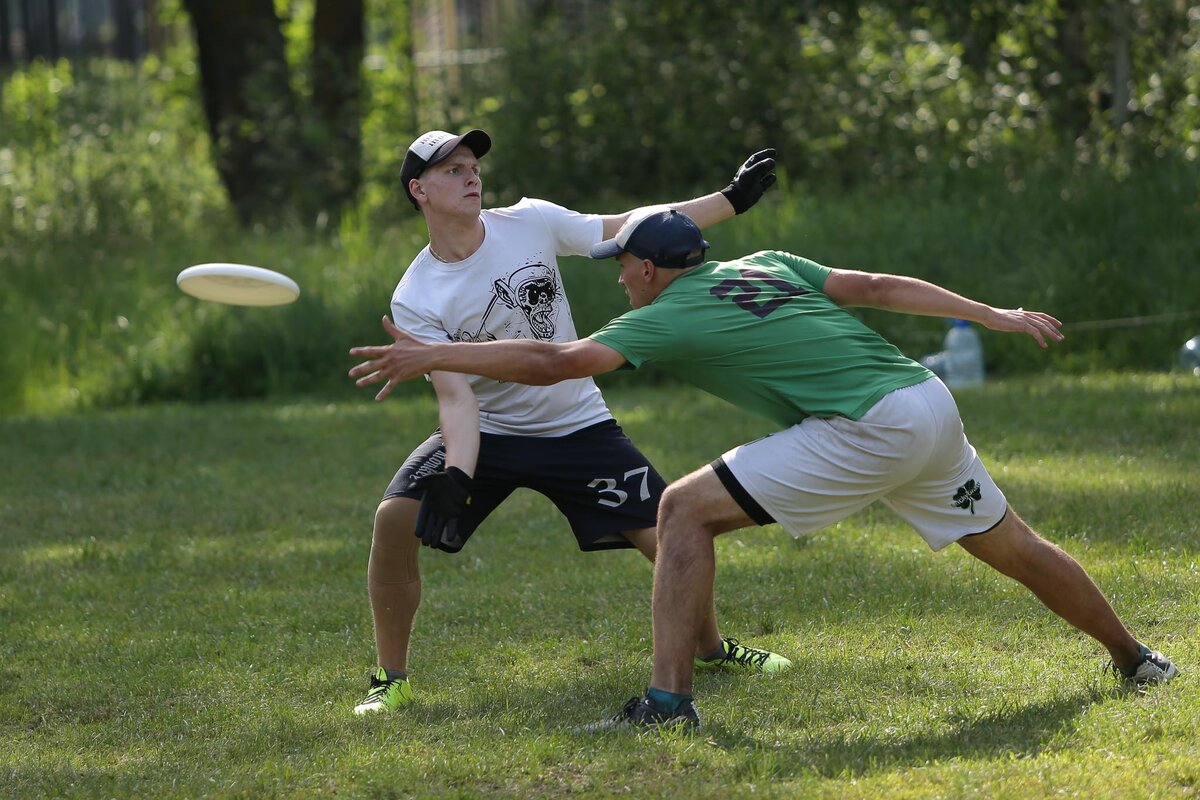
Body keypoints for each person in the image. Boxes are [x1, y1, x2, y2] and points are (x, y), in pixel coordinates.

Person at [348, 207, 1178, 730]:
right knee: (1013, 544)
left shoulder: (668, 314)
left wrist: (432, 355)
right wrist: (988, 313)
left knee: (682, 509)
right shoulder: (769, 264)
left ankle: (668, 704)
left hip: (867, 428)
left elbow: (556, 362)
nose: (623, 280)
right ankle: (1136, 657)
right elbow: (879, 286)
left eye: (624, 268)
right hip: (925, 404)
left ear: (646, 269)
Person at [350, 130, 792, 716]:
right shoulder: (416, 296)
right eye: (452, 170)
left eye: (473, 165)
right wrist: (457, 473)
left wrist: (729, 201)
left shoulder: (529, 221)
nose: (471, 176)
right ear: (419, 190)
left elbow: (631, 228)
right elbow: (457, 400)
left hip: (577, 425)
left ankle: (711, 648)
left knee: (669, 537)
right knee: (393, 520)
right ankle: (390, 679)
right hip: (493, 434)